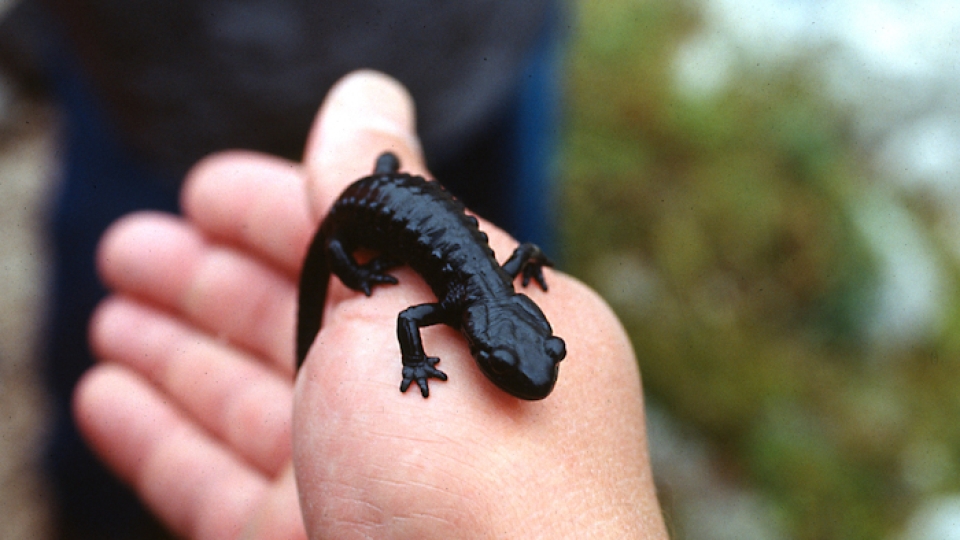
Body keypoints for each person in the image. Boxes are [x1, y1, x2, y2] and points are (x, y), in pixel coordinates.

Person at [74, 71, 668, 539]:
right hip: (351, 222)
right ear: (477, 340)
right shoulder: (465, 301)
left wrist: (529, 264)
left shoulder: (485, 291)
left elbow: (504, 265)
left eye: (548, 353)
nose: (531, 375)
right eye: (507, 366)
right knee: (335, 249)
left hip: (384, 190)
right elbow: (410, 318)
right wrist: (358, 280)